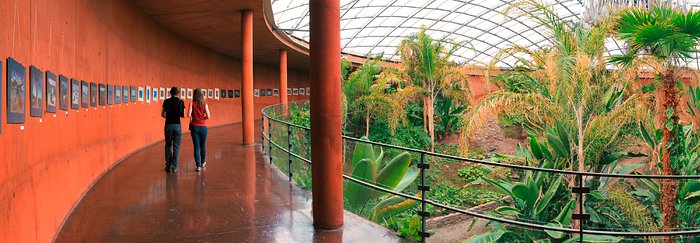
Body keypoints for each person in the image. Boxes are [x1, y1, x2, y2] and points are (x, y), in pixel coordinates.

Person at [162, 87, 185, 172]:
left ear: (170, 93)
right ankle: (174, 167)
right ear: (178, 93)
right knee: (176, 147)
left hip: (168, 125)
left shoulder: (166, 101)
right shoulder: (180, 102)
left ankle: (168, 165)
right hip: (177, 126)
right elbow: (182, 115)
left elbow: (162, 114)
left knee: (168, 145)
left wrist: (168, 116)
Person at [189, 88, 210, 172]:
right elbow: (208, 116)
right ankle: (203, 162)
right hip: (203, 127)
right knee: (203, 145)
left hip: (194, 127)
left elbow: (188, 114)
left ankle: (198, 166)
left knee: (196, 147)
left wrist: (194, 118)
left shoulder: (191, 103)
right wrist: (202, 118)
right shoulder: (205, 104)